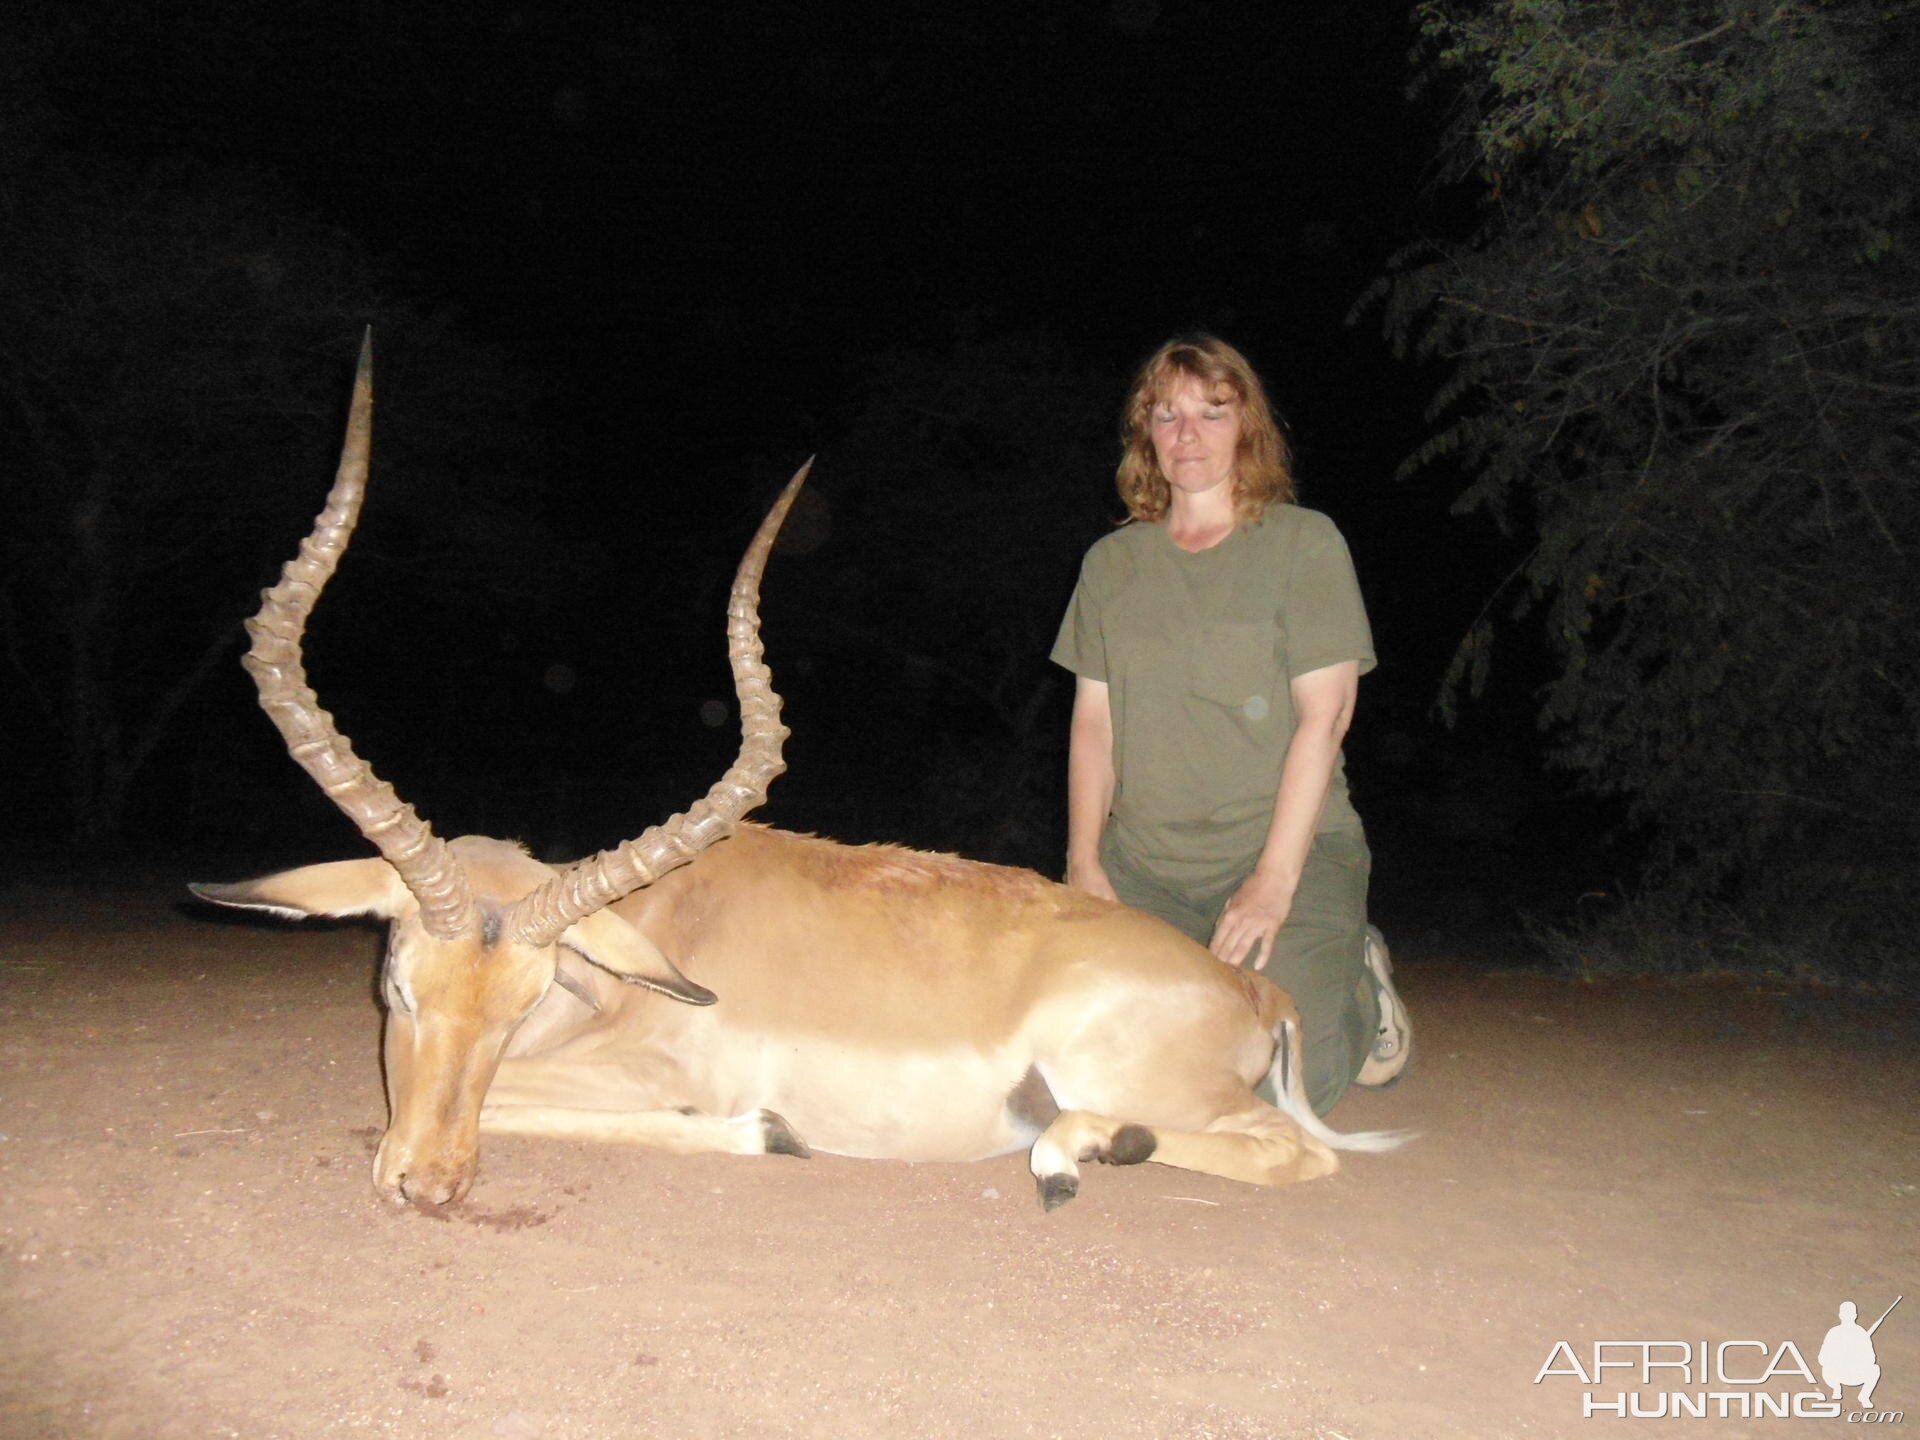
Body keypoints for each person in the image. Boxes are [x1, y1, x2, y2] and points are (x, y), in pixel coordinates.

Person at [1051, 333, 1409, 1115]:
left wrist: (1273, 885)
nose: (1187, 435)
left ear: (1248, 425)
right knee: (1088, 1070)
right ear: (1144, 429)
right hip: (1145, 869)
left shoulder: (1302, 544)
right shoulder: (1112, 566)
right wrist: (1084, 865)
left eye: (1212, 413)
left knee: (1280, 1091)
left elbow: (1328, 717)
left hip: (1286, 853)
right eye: (1167, 414)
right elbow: (1092, 728)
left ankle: (1356, 987)